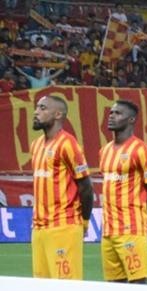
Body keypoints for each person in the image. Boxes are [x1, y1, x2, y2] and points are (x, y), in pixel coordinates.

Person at [30, 95, 93, 279]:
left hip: (64, 226)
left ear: (58, 114)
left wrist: (85, 220)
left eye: (42, 108)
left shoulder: (68, 143)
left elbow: (86, 187)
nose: (36, 112)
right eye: (37, 107)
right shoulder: (36, 145)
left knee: (66, 288)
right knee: (41, 288)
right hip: (39, 228)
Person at [99, 100, 147, 283]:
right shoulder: (104, 151)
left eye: (118, 113)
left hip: (131, 229)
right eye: (111, 112)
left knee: (138, 286)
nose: (111, 116)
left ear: (131, 119)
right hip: (108, 232)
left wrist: (145, 227)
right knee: (114, 288)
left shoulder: (141, 150)